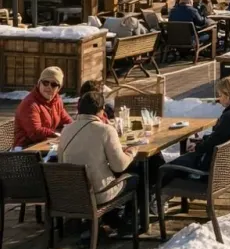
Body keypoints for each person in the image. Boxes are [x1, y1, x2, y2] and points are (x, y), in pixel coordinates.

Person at [59, 90, 138, 236]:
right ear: (101, 111)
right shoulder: (106, 130)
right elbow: (119, 166)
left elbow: (60, 161)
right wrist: (131, 152)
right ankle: (127, 224)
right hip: (97, 194)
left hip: (72, 193)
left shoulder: (66, 130)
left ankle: (107, 220)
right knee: (134, 178)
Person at [169, 75, 230, 172]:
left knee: (166, 169)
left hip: (218, 168)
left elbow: (214, 142)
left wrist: (198, 147)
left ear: (228, 96)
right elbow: (220, 137)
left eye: (220, 95)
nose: (219, 99)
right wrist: (202, 142)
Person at [14, 66, 72, 148]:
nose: (49, 87)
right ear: (39, 83)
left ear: (58, 89)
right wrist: (57, 134)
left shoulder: (57, 100)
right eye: (45, 82)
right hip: (25, 149)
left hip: (45, 144)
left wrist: (75, 128)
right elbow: (35, 133)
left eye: (54, 84)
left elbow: (66, 120)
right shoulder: (30, 104)